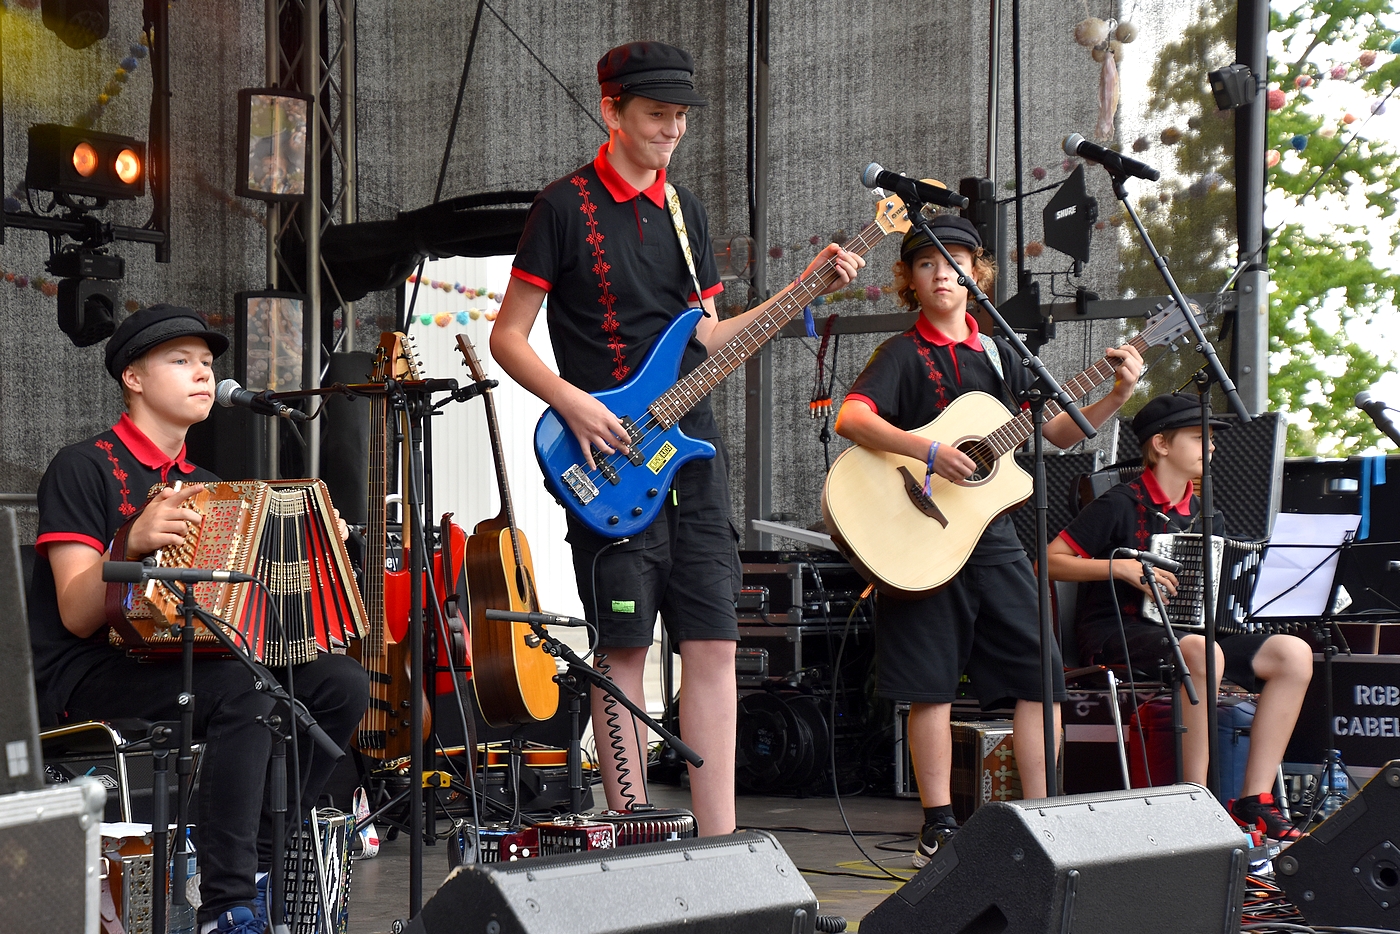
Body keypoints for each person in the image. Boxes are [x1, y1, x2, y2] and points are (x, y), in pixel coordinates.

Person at [491, 41, 863, 837]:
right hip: (605, 456)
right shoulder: (562, 207)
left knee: (714, 645)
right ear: (612, 110)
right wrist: (572, 403)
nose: (673, 129)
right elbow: (507, 337)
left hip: (692, 455)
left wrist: (804, 288)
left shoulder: (685, 210)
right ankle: (632, 829)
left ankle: (720, 839)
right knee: (624, 648)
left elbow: (712, 333)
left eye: (681, 116)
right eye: (657, 114)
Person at [28, 305, 370, 934]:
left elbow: (243, 615)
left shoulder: (209, 484)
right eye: (181, 360)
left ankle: (260, 862)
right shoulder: (83, 465)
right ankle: (225, 907)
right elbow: (75, 614)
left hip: (188, 658)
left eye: (208, 363)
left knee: (339, 681)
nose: (204, 374)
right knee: (247, 690)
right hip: (94, 671)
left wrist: (316, 547)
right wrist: (130, 540)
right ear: (133, 377)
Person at [832, 216, 1143, 867]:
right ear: (909, 279)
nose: (942, 274)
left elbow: (1054, 434)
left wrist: (1116, 393)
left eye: (956, 262)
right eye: (926, 263)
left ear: (978, 273)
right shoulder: (900, 354)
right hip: (918, 537)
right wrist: (929, 449)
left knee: (1043, 677)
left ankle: (1043, 820)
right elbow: (851, 417)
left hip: (992, 537)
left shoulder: (1002, 353)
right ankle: (939, 826)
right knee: (931, 687)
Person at [1047, 392, 1313, 843]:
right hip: (1117, 630)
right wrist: (1120, 568)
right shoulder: (1119, 503)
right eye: (1199, 437)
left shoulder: (1208, 515)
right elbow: (1049, 562)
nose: (1211, 446)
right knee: (1202, 651)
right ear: (1161, 444)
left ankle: (1254, 799)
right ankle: (1195, 800)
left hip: (1191, 638)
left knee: (1293, 654)